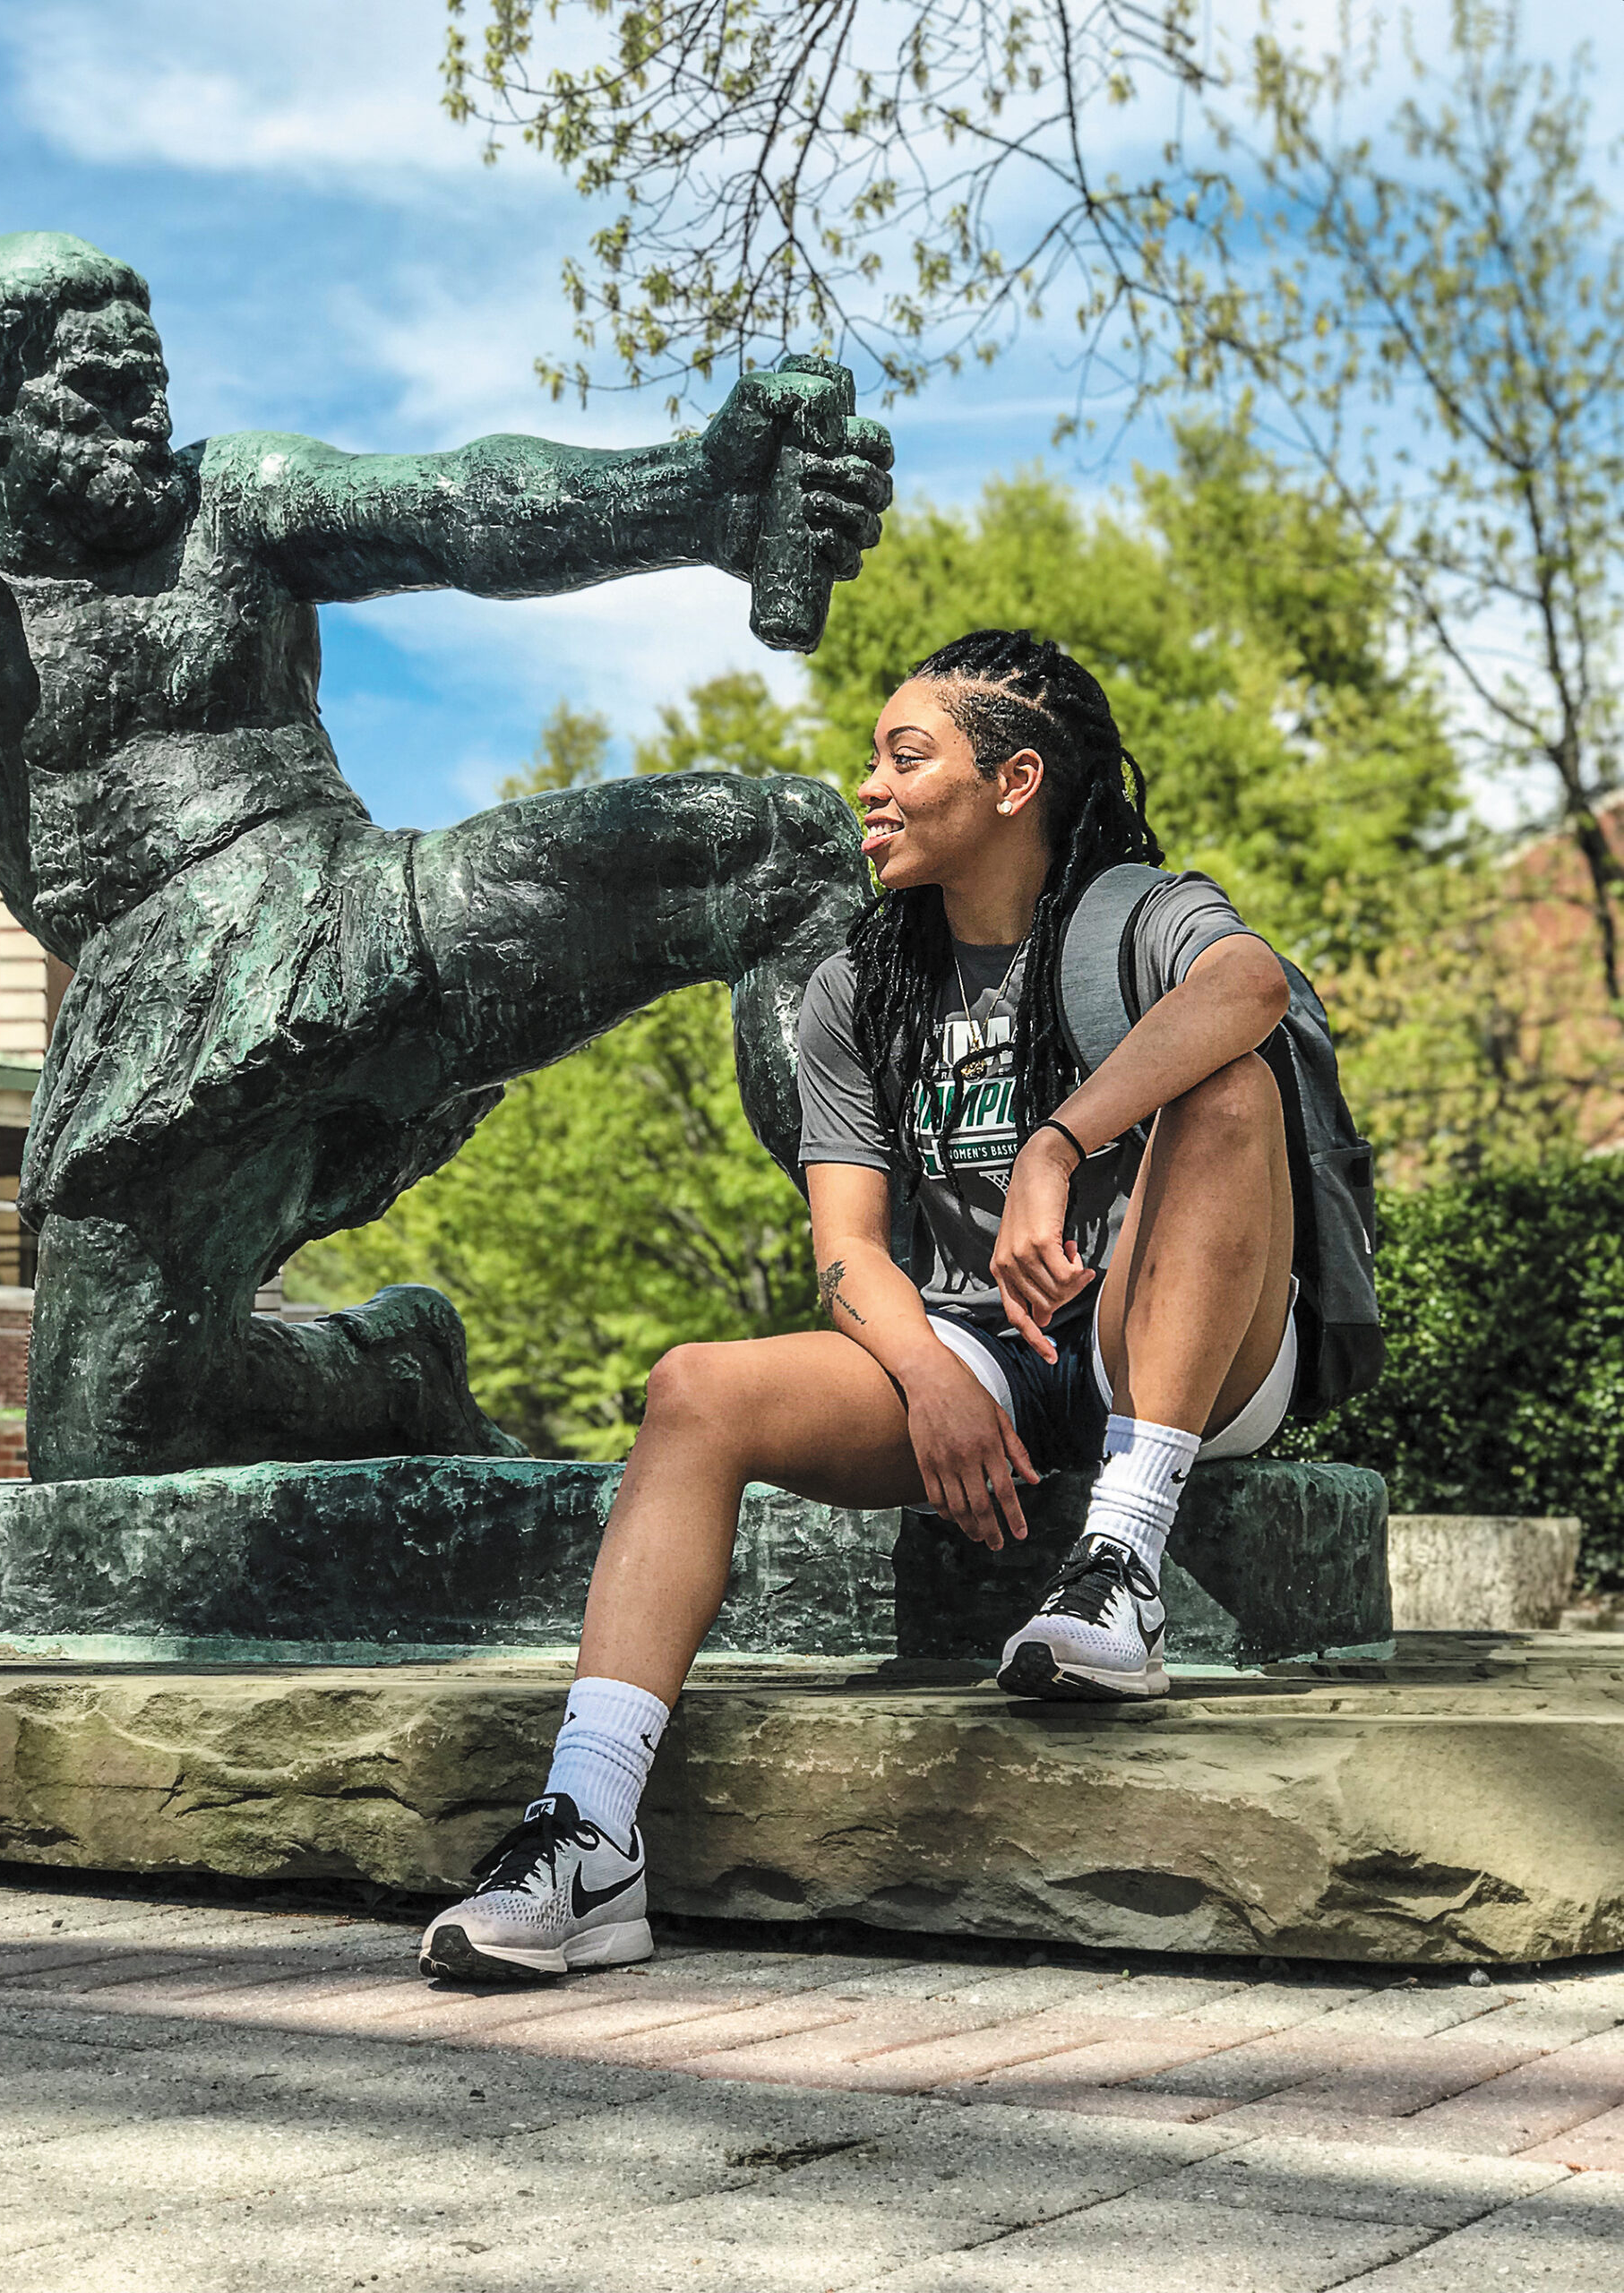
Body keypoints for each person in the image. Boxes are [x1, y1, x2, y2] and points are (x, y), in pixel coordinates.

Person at [0, 231, 891, 1477]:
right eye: (98, 394)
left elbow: (454, 507)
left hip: (356, 922)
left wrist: (700, 496)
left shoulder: (235, 493)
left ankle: (931, 1326)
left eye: (151, 388)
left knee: (777, 852)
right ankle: (389, 1373)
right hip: (150, 1056)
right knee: (105, 1461)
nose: (144, 423)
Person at [419, 626, 1300, 1982]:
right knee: (694, 1389)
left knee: (1232, 1079)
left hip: (1177, 1340)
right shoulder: (858, 987)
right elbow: (848, 1252)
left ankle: (1119, 1569)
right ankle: (587, 1834)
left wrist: (1056, 1147)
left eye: (907, 755)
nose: (870, 788)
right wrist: (934, 1377)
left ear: (1013, 783)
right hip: (979, 1351)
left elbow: (1252, 985)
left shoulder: (1140, 909)